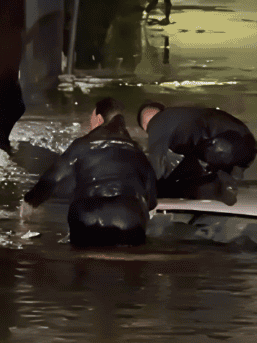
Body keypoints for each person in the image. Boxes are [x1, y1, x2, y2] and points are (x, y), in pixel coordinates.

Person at [20, 98, 158, 247]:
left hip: (87, 217)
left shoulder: (80, 146)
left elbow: (51, 179)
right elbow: (151, 200)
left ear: (99, 119)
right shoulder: (137, 151)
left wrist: (29, 203)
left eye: (91, 119)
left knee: (83, 261)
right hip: (129, 219)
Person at [137, 100, 257, 206]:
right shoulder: (183, 118)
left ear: (145, 125)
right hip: (247, 146)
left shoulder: (158, 122)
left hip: (223, 146)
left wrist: (146, 196)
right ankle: (222, 187)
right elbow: (189, 163)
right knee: (179, 177)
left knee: (167, 186)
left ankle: (217, 188)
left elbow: (155, 167)